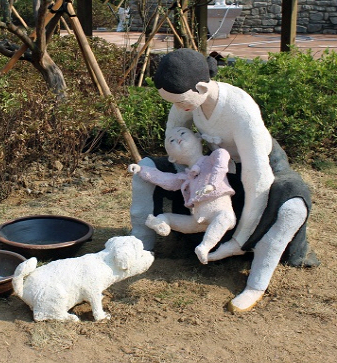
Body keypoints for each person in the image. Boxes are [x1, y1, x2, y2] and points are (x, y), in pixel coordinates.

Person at [130, 48, 319, 312]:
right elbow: (173, 133)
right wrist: (188, 169)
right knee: (146, 168)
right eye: (172, 101)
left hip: (261, 168)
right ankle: (139, 247)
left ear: (201, 87)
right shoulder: (187, 100)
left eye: (182, 101)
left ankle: (255, 283)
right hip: (213, 167)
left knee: (291, 208)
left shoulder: (240, 111)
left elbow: (258, 180)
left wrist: (237, 241)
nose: (179, 107)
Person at [128, 127, 236, 264]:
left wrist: (212, 184)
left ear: (198, 139)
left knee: (226, 218)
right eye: (171, 140)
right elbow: (166, 180)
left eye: (183, 133)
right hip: (197, 218)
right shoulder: (187, 176)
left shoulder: (213, 159)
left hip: (218, 211)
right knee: (172, 219)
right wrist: (141, 170)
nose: (178, 138)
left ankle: (204, 247)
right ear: (173, 159)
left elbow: (222, 162)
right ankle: (160, 222)